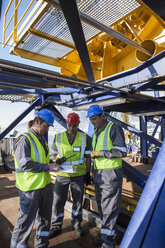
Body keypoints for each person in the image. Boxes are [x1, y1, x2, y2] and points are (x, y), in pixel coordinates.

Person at [10, 108, 60, 248]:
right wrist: (47, 167)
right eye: (46, 126)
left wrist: (51, 163)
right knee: (25, 222)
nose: (47, 129)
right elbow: (24, 164)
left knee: (44, 219)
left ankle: (41, 245)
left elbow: (42, 160)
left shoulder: (41, 140)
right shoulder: (24, 140)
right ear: (38, 121)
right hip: (30, 189)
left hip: (44, 186)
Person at [86, 105, 127, 248]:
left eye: (95, 119)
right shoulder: (96, 132)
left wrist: (100, 153)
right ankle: (106, 236)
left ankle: (109, 241)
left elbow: (122, 151)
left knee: (110, 208)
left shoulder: (113, 129)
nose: (93, 122)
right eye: (90, 120)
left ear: (102, 116)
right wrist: (91, 171)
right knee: (103, 207)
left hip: (111, 175)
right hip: (99, 175)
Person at [49, 112, 92, 238]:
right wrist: (56, 161)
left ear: (78, 124)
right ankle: (56, 225)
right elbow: (51, 156)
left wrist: (88, 173)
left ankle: (77, 223)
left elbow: (88, 157)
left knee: (78, 201)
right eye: (69, 125)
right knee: (58, 200)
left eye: (74, 126)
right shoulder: (58, 137)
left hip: (78, 175)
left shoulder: (85, 138)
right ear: (66, 124)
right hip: (62, 175)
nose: (71, 128)